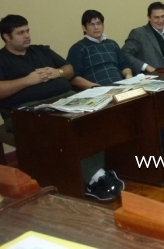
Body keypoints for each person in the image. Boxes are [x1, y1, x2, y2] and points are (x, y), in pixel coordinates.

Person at [0, 15, 123, 202]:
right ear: (6, 37)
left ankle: (98, 173)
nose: (26, 35)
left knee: (97, 117)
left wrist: (56, 72)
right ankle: (95, 178)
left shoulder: (41, 50)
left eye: (27, 31)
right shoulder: (2, 60)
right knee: (68, 127)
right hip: (29, 111)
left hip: (66, 98)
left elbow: (69, 69)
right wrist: (27, 81)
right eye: (20, 33)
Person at [67, 10, 133, 89]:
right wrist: (95, 87)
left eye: (98, 23)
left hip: (121, 87)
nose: (96, 27)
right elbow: (74, 78)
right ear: (84, 28)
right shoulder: (77, 48)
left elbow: (124, 65)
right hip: (97, 90)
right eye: (91, 24)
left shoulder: (112, 44)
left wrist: (129, 76)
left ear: (103, 25)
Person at [122, 2, 164, 74]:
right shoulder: (139, 33)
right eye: (156, 17)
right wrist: (146, 67)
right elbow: (124, 54)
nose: (161, 20)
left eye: (163, 16)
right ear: (149, 18)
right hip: (155, 75)